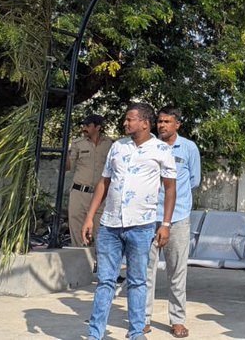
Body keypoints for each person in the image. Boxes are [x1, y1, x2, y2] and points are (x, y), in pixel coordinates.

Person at [83, 102, 177, 340]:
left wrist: (165, 225)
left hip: (141, 226)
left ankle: (136, 333)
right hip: (110, 225)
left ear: (145, 123)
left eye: (130, 119)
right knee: (105, 280)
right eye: (126, 119)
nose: (125, 123)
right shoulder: (117, 147)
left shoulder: (161, 150)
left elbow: (170, 189)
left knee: (137, 281)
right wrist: (90, 217)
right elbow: (104, 183)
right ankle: (95, 334)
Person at [144, 107, 202, 339]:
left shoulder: (189, 148)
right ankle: (143, 319)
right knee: (145, 271)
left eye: (167, 121)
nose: (162, 125)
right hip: (148, 217)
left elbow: (194, 180)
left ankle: (177, 320)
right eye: (159, 121)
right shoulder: (149, 147)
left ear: (177, 125)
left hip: (177, 218)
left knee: (177, 271)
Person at [66, 114, 114, 248]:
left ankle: (98, 264)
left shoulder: (109, 144)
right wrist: (66, 152)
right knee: (77, 230)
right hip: (80, 192)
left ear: (98, 127)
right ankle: (78, 262)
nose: (84, 128)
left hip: (100, 195)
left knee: (100, 231)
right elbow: (69, 168)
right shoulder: (77, 144)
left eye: (88, 125)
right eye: (83, 125)